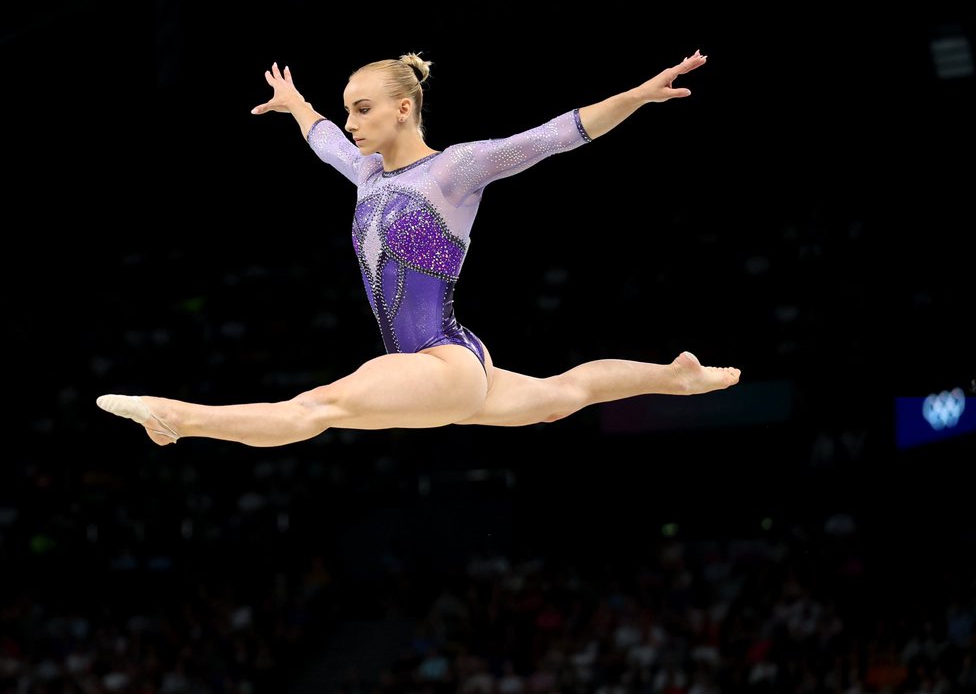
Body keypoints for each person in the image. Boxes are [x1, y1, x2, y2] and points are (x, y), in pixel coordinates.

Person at [97, 50, 739, 447]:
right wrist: (298, 106)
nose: (352, 122)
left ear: (404, 108)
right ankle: (675, 378)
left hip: (443, 363)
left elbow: (550, 137)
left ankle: (177, 416)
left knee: (318, 407)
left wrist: (635, 95)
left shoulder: (452, 171)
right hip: (451, 361)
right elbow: (326, 141)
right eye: (348, 109)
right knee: (559, 398)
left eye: (363, 108)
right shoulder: (370, 173)